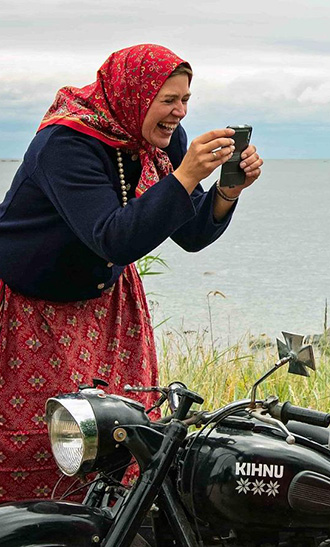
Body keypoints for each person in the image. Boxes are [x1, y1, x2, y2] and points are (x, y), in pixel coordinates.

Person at [0, 44, 263, 501]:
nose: (179, 112)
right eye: (168, 100)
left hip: (107, 308)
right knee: (41, 437)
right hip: (27, 307)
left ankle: (114, 523)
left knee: (120, 434)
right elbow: (113, 237)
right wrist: (183, 178)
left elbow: (192, 233)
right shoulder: (66, 143)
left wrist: (227, 189)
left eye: (185, 100)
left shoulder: (160, 141)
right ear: (133, 96)